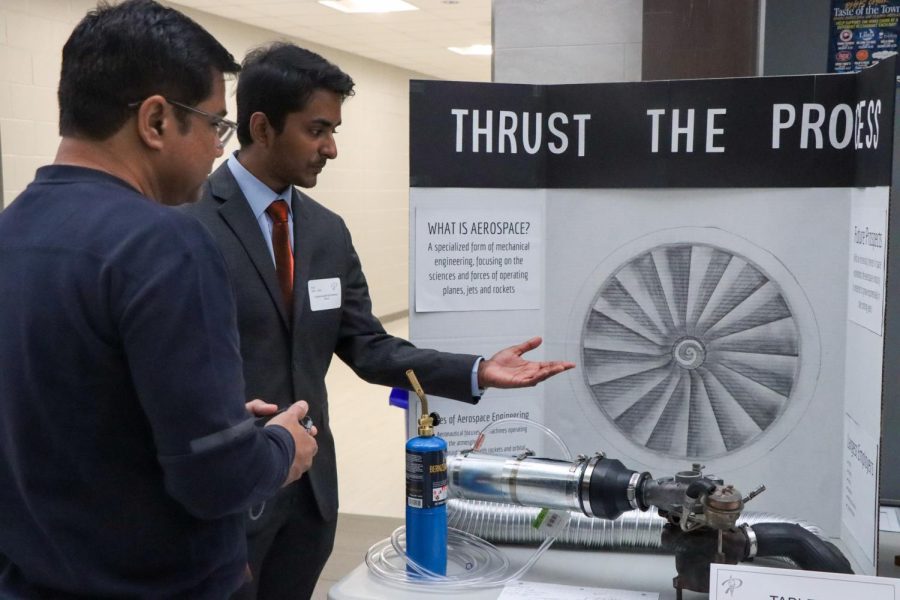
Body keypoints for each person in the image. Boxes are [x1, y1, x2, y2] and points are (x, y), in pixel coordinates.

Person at [181, 42, 575, 600]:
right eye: (317, 130)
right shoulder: (186, 219)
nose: (332, 148)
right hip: (225, 498)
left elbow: (368, 348)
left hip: (310, 495)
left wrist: (477, 371)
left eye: (334, 130)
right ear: (263, 127)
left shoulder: (325, 232)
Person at [0, 3, 318, 598]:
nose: (219, 149)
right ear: (155, 121)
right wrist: (278, 446)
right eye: (214, 125)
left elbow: (70, 416)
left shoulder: (11, 232)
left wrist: (217, 421)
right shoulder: (166, 244)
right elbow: (215, 480)